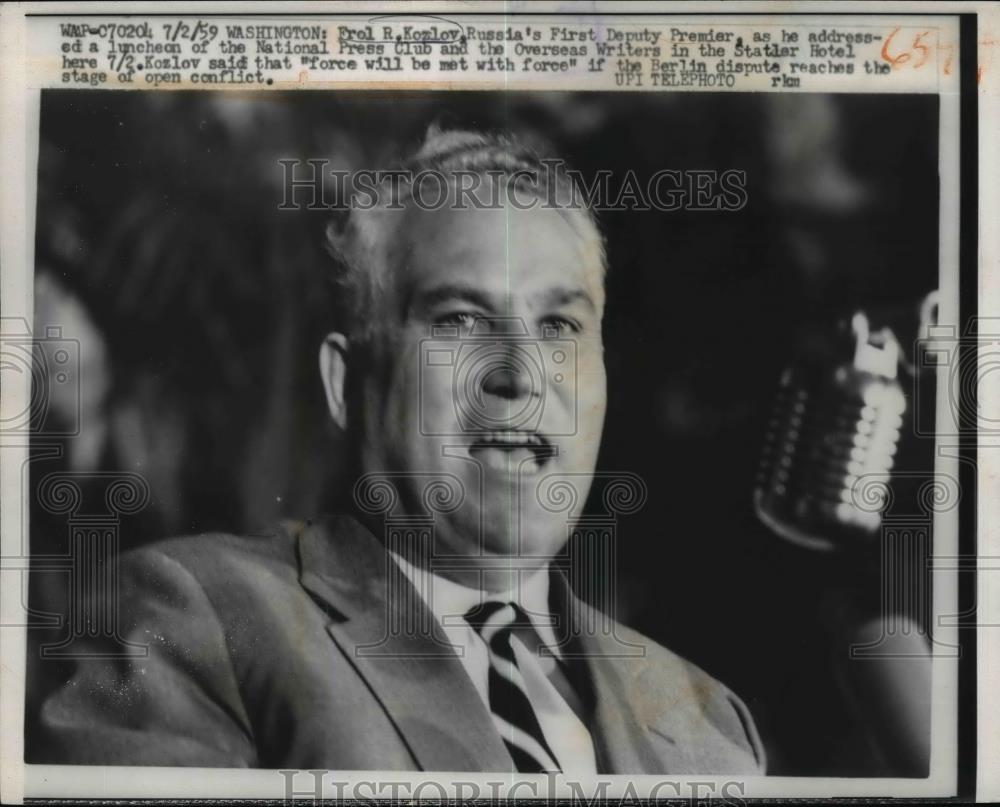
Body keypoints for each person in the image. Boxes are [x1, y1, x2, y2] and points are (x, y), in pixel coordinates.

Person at [32, 126, 765, 774]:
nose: (519, 373)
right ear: (346, 382)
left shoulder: (709, 724)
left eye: (559, 328)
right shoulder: (194, 623)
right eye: (459, 318)